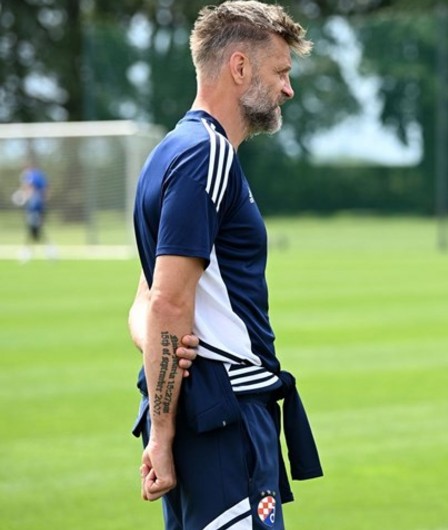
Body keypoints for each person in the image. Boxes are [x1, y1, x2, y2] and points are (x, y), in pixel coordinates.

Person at [128, 2, 322, 528]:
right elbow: (166, 302)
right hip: (224, 416)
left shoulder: (170, 151)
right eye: (280, 72)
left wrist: (160, 344)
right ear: (239, 67)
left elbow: (146, 303)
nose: (288, 89)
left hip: (204, 414)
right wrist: (162, 434)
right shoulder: (207, 155)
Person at [15, 158, 55, 261]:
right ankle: (47, 250)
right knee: (35, 230)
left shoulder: (30, 175)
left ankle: (29, 251)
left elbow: (29, 188)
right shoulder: (39, 175)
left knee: (34, 230)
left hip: (35, 208)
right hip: (38, 207)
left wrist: (23, 198)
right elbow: (46, 189)